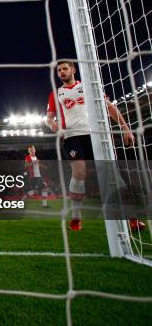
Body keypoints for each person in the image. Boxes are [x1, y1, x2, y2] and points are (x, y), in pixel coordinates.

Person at [45, 60, 144, 231]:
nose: (61, 72)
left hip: (97, 134)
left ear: (73, 70)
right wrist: (52, 125)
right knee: (79, 171)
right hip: (72, 137)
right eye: (59, 70)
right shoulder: (56, 94)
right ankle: (76, 218)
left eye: (65, 69)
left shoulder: (90, 87)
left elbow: (110, 107)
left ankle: (132, 219)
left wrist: (126, 129)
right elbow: (48, 117)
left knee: (112, 174)